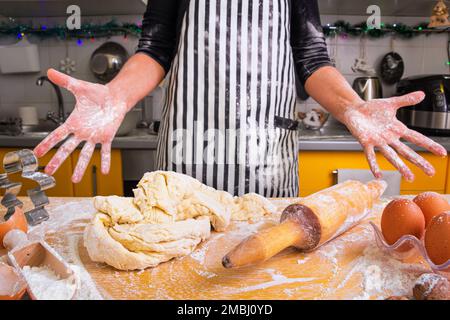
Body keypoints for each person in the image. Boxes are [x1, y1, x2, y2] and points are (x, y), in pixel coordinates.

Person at [34, 0, 447, 197]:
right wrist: (117, 96)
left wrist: (353, 108)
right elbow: (155, 49)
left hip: (267, 165)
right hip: (187, 160)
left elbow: (311, 58)